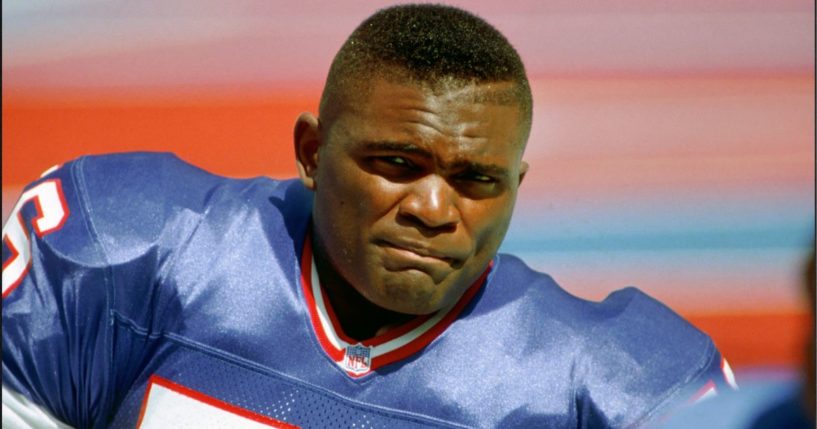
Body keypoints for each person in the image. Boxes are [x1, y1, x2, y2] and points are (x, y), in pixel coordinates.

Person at [2, 4, 735, 428]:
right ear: (313, 151)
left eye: (475, 179)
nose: (431, 209)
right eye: (398, 164)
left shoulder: (614, 380)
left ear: (516, 183)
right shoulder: (132, 250)